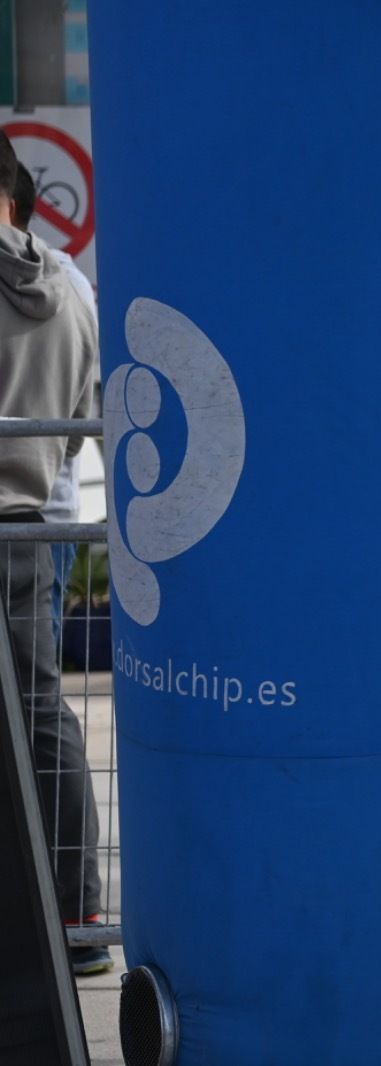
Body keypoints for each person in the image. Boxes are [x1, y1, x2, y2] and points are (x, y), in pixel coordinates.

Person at [0, 131, 106, 977]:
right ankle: (76, 908)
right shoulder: (72, 288)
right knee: (41, 716)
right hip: (30, 522)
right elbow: (83, 416)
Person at [11, 162, 96, 645]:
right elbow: (78, 422)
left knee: (30, 687)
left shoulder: (63, 283)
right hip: (53, 509)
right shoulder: (75, 282)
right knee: (36, 678)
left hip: (33, 513)